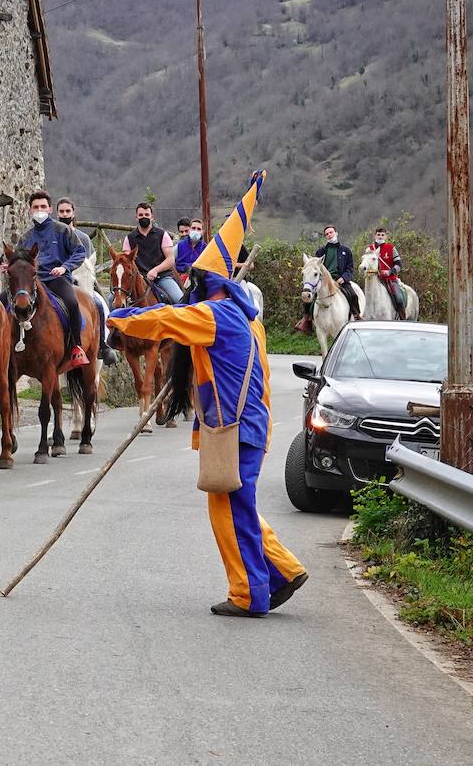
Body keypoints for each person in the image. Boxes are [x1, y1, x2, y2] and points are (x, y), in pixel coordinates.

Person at [107, 172, 308, 618]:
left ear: (207, 280)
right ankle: (284, 569)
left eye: (195, 276)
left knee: (231, 513)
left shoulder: (213, 314)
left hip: (233, 429)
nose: (191, 282)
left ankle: (249, 594)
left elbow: (161, 320)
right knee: (239, 507)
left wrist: (119, 319)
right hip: (249, 426)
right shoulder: (246, 316)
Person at [16, 190, 91, 367]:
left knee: (72, 303)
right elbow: (18, 260)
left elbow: (79, 252)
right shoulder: (25, 237)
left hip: (57, 279)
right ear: (30, 210)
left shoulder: (63, 230)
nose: (39, 210)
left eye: (43, 206)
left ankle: (76, 347)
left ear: (50, 209)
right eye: (35, 207)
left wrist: (64, 267)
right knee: (4, 301)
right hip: (32, 282)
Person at [54, 197, 120, 364]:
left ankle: (104, 345)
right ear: (56, 213)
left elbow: (90, 262)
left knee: (100, 304)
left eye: (67, 211)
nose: (64, 214)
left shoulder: (83, 238)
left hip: (82, 282)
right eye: (61, 211)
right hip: (58, 281)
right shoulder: (52, 237)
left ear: (73, 213)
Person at [296, 224, 361, 332]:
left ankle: (357, 316)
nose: (329, 235)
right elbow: (315, 269)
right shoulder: (320, 252)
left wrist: (344, 278)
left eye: (331, 232)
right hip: (324, 281)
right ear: (325, 237)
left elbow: (349, 269)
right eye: (327, 234)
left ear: (336, 233)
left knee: (353, 294)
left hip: (340, 280)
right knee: (308, 296)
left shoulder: (346, 251)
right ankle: (306, 320)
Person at [121, 202, 182, 304]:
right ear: (136, 217)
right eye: (140, 215)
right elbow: (127, 262)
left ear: (152, 217)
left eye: (146, 215)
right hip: (137, 279)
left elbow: (170, 259)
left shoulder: (162, 235)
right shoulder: (129, 238)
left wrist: (155, 270)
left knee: (179, 299)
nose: (143, 217)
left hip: (161, 277)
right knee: (112, 300)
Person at [364, 227, 406, 316]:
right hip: (374, 279)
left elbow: (398, 264)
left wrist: (390, 272)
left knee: (399, 298)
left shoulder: (391, 248)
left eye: (382, 235)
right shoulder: (369, 249)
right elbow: (366, 264)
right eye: (378, 235)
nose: (380, 237)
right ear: (375, 236)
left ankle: (402, 317)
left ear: (385, 237)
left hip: (390, 279)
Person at [175, 218, 207, 282]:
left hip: (199, 279)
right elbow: (170, 262)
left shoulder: (206, 249)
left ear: (202, 232)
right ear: (189, 229)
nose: (195, 231)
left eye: (199, 229)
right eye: (193, 228)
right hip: (180, 278)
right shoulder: (179, 246)